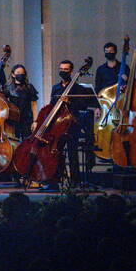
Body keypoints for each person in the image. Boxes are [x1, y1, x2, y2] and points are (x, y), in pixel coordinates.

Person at [51, 59, 98, 187]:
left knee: (73, 154)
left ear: (71, 71)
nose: (63, 72)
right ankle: (55, 180)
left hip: (73, 124)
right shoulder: (55, 88)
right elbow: (51, 105)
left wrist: (70, 102)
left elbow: (83, 106)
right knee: (57, 153)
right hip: (58, 124)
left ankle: (75, 181)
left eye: (66, 70)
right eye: (61, 69)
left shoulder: (78, 88)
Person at [6, 64, 39, 141]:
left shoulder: (29, 87)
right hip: (12, 119)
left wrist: (35, 121)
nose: (20, 74)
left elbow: (34, 105)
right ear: (13, 75)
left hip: (27, 119)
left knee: (27, 142)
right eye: (18, 72)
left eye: (22, 73)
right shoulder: (8, 88)